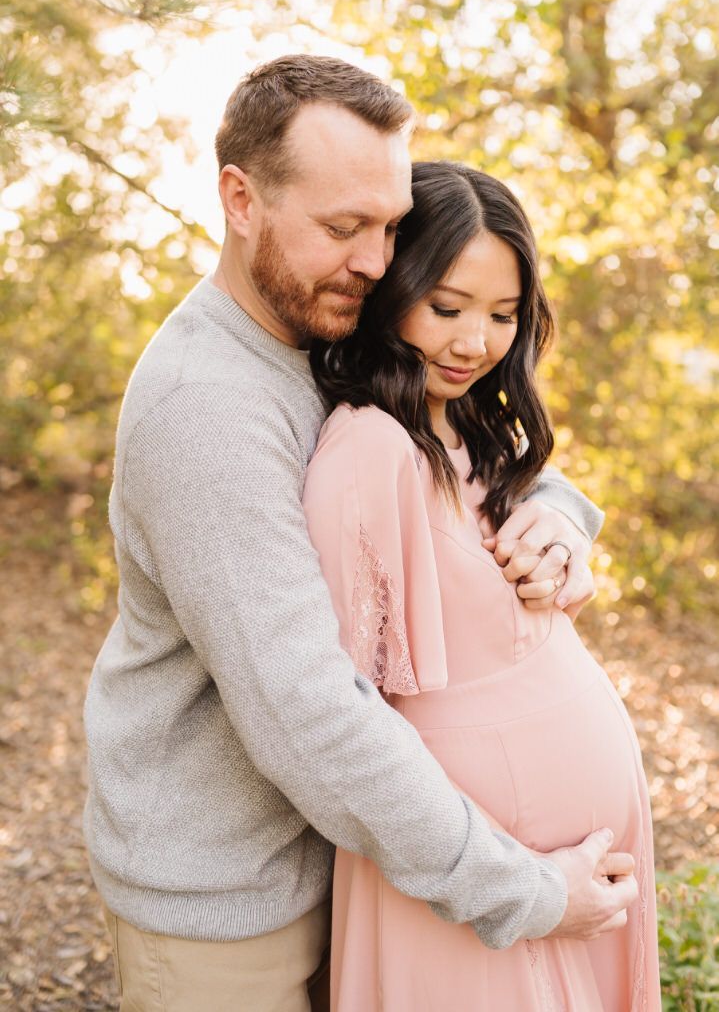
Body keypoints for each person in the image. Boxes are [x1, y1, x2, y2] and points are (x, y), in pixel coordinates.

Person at [84, 56, 638, 1012]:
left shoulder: (324, 327)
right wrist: (523, 892)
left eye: (388, 226)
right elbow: (308, 712)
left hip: (360, 862)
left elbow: (464, 441)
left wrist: (558, 512)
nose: (378, 261)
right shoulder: (204, 409)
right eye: (344, 228)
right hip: (231, 905)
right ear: (240, 198)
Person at [303, 160, 661, 1011]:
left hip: (576, 859)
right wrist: (508, 878)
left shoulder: (470, 426)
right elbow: (344, 706)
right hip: (473, 877)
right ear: (392, 292)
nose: (476, 343)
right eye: (448, 308)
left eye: (502, 315)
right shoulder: (368, 450)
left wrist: (566, 528)